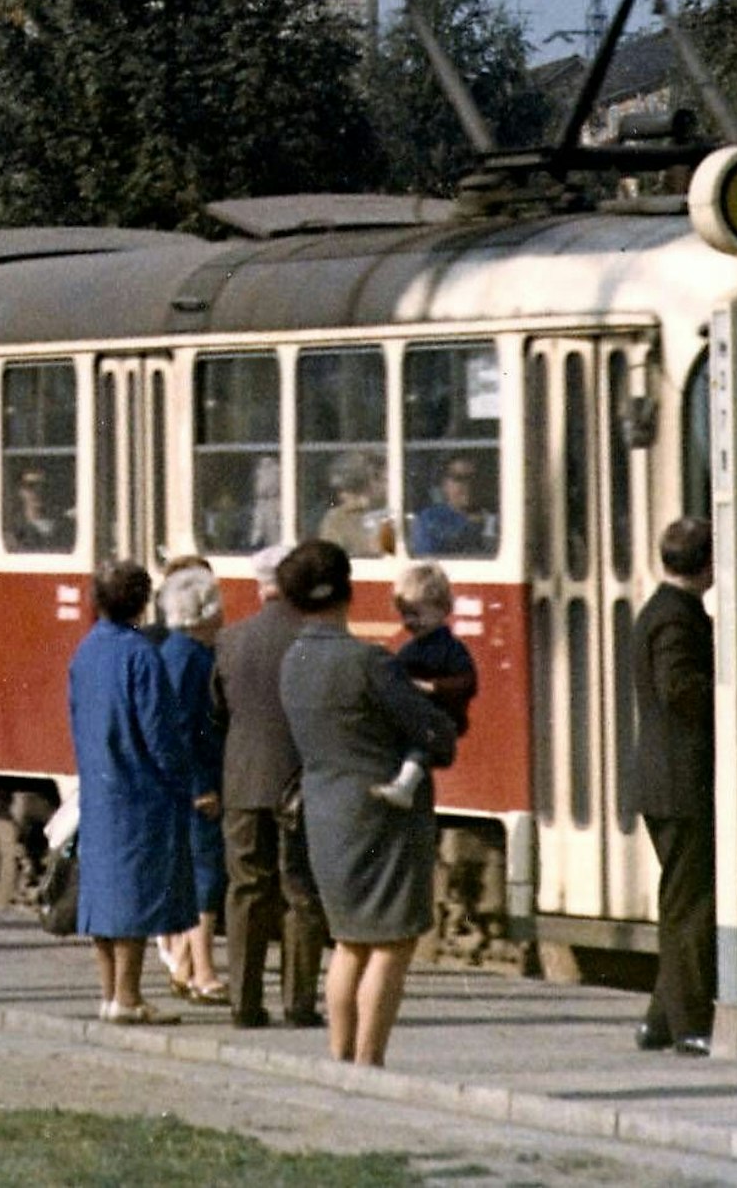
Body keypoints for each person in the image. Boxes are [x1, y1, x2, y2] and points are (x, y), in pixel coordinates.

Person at [277, 539, 456, 1066]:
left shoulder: (294, 660)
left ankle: (341, 1056)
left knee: (350, 942)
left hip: (324, 811)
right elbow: (434, 733)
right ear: (347, 592)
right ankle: (369, 1060)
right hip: (382, 814)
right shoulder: (368, 662)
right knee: (391, 943)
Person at [69, 558, 196, 1026]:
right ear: (143, 602)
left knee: (103, 897)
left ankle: (108, 994)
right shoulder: (142, 655)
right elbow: (159, 732)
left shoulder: (85, 652)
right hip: (141, 792)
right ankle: (129, 996)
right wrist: (183, 781)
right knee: (134, 898)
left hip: (100, 789)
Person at [211, 543, 328, 1030]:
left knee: (246, 891)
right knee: (300, 891)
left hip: (243, 781)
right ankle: (299, 1003)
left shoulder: (230, 640)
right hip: (300, 784)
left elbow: (216, 711)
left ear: (260, 586)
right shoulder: (314, 638)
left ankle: (244, 1002)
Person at [622, 517, 716, 1058]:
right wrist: (728, 692)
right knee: (690, 905)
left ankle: (660, 1022)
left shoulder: (664, 610)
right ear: (707, 564)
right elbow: (679, 689)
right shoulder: (675, 619)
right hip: (682, 782)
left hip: (670, 781)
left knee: (686, 900)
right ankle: (688, 1025)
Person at [155, 566, 230, 1005]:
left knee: (197, 872)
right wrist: (202, 784)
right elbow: (186, 729)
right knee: (204, 876)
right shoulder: (191, 658)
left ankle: (184, 965)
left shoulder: (177, 651)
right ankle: (203, 970)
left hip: (185, 782)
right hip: (197, 783)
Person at [376, 562, 477, 810]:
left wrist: (432, 687)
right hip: (419, 716)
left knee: (420, 750)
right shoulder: (410, 650)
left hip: (442, 717)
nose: (410, 621)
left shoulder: (451, 649)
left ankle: (405, 786)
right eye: (405, 614)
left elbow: (467, 682)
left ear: (443, 609)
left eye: (417, 613)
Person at [410, 456, 492, 556]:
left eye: (473, 478)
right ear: (444, 484)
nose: (467, 484)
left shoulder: (495, 519)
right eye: (459, 478)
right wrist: (469, 529)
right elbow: (427, 559)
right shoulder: (429, 519)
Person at [317, 451, 388, 558]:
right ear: (370, 482)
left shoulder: (396, 512)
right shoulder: (337, 519)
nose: (388, 486)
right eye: (384, 480)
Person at [5, 466, 72, 552]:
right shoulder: (12, 531)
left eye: (44, 486)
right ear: (20, 491)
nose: (38, 491)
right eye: (31, 486)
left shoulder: (68, 529)